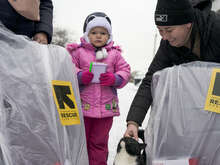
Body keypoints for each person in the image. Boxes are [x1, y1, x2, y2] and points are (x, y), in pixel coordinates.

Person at [124, 0, 220, 141]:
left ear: (188, 23)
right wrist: (134, 121)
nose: (165, 37)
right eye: (160, 30)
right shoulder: (168, 45)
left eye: (169, 30)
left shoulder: (216, 29)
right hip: (199, 107)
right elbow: (150, 80)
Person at [66, 12, 131, 165]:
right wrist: (80, 76)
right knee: (81, 142)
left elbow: (125, 70)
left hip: (106, 110)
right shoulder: (77, 52)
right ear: (87, 34)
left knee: (99, 143)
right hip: (83, 108)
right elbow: (67, 68)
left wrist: (115, 78)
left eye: (103, 33)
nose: (98, 36)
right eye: (94, 32)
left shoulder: (114, 54)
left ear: (109, 35)